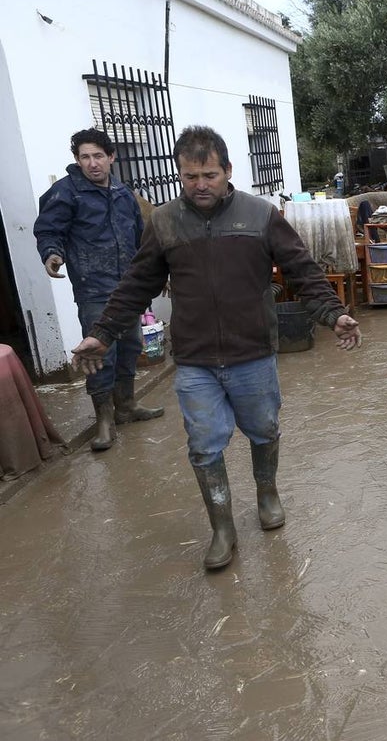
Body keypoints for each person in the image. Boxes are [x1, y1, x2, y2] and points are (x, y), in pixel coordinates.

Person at [71, 125, 363, 571]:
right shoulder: (165, 222)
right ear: (179, 174)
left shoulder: (260, 215)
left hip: (253, 354)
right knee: (204, 446)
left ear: (228, 170)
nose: (200, 185)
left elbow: (300, 268)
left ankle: (267, 494)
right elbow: (137, 285)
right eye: (190, 176)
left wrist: (332, 313)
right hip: (195, 360)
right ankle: (222, 527)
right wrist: (103, 332)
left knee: (263, 430)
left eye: (209, 174)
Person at [34, 128, 164, 452]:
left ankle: (127, 406)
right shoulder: (66, 193)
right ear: (77, 160)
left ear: (111, 157)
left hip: (127, 286)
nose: (92, 163)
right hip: (93, 287)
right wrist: (52, 254)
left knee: (132, 345)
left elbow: (140, 235)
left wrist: (150, 271)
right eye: (85, 157)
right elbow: (50, 229)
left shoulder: (123, 193)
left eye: (98, 156)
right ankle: (103, 420)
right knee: (99, 352)